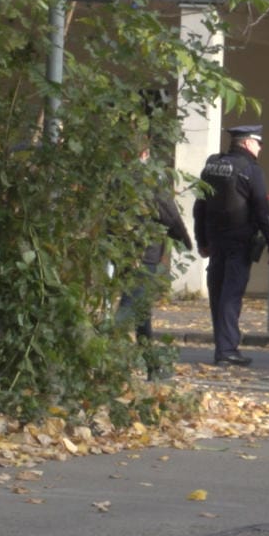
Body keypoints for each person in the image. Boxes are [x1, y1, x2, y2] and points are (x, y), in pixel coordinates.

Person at [193, 124, 269, 366]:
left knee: (218, 292)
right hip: (239, 240)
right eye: (259, 144)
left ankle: (223, 347)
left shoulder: (212, 164)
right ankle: (227, 350)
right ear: (249, 143)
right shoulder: (251, 169)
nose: (260, 149)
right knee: (231, 295)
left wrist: (202, 240)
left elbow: (199, 206)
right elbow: (263, 211)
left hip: (215, 240)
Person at [116, 149, 194, 377]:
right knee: (129, 309)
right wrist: (184, 239)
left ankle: (153, 366)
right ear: (145, 151)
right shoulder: (149, 176)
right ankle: (106, 362)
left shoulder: (118, 176)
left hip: (123, 252)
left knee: (141, 312)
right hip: (144, 253)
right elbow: (167, 211)